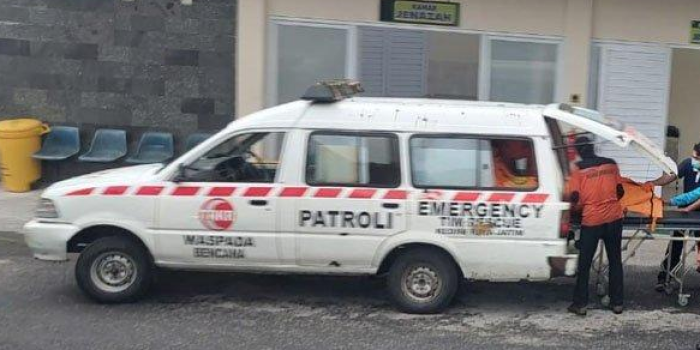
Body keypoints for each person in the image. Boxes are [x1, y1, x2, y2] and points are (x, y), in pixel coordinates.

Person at [567, 136, 625, 316]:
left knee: (584, 264)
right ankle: (617, 303)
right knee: (615, 260)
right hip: (614, 218)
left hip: (592, 220)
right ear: (593, 148)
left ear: (578, 151)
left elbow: (575, 199)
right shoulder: (611, 164)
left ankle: (580, 304)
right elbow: (620, 191)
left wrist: (576, 210)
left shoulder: (578, 169)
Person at [646, 142, 700, 290]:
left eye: (696, 156)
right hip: (685, 212)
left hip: (693, 210)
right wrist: (652, 184)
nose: (693, 159)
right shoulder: (688, 164)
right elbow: (670, 177)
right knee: (675, 245)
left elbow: (697, 196)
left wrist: (686, 206)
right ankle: (664, 277)